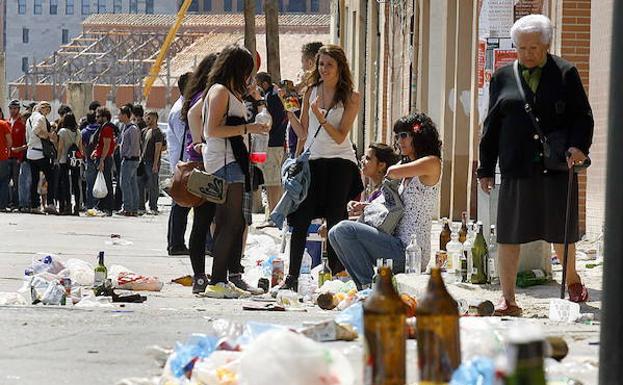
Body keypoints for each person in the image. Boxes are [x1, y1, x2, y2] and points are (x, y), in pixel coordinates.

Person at [477, 14, 594, 316]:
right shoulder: (502, 78)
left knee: (560, 233)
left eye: (534, 48)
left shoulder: (565, 73)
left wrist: (578, 147)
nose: (528, 54)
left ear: (547, 45)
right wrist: (486, 168)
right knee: (509, 234)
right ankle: (507, 298)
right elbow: (491, 126)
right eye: (522, 48)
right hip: (516, 166)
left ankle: (572, 279)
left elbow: (583, 116)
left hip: (556, 165)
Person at [277, 44, 364, 291]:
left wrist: (321, 115)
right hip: (313, 162)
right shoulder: (311, 92)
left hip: (340, 163)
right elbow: (303, 133)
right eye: (321, 64)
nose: (324, 69)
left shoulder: (351, 96)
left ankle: (338, 277)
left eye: (329, 64)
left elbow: (340, 136)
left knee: (336, 219)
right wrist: (290, 112)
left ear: (340, 68)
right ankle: (292, 278)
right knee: (301, 219)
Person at [329, 113, 442, 289]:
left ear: (419, 135)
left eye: (404, 135)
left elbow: (392, 172)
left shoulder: (432, 163)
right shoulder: (407, 171)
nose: (399, 141)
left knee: (344, 230)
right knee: (334, 233)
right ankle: (364, 288)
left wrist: (392, 168)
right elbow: (396, 204)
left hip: (411, 251)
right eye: (397, 137)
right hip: (393, 243)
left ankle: (371, 288)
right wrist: (365, 207)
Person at [194, 44, 270, 298]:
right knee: (230, 222)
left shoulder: (228, 92)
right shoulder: (219, 91)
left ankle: (222, 278)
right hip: (224, 162)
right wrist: (248, 129)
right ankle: (218, 279)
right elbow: (212, 130)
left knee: (233, 222)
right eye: (247, 70)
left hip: (231, 161)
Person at [182, 54, 220, 290]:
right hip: (206, 165)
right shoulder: (208, 95)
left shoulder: (197, 94)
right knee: (207, 221)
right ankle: (203, 275)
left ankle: (200, 275)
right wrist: (201, 143)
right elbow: (193, 116)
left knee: (202, 222)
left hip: (200, 163)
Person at [255, 72, 287, 228]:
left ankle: (274, 217)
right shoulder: (274, 93)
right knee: (273, 181)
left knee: (272, 182)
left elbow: (269, 121)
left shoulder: (270, 96)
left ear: (264, 83)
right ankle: (275, 214)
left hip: (272, 144)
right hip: (277, 143)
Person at [25, 101, 58, 214]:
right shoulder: (40, 118)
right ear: (44, 108)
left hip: (30, 153)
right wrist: (47, 136)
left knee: (34, 180)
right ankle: (50, 203)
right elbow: (36, 130)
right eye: (47, 111)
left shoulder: (29, 119)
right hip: (40, 153)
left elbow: (28, 137)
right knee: (51, 177)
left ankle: (34, 205)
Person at [56, 113, 83, 215]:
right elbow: (80, 148)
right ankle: (77, 206)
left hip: (64, 160)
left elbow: (60, 147)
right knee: (76, 184)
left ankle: (68, 206)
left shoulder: (62, 132)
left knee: (66, 183)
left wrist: (57, 159)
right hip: (75, 160)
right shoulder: (78, 132)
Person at [117, 105, 141, 216]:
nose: (118, 116)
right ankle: (133, 208)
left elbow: (134, 146)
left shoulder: (132, 129)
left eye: (120, 114)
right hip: (128, 159)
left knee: (125, 184)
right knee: (131, 184)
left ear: (125, 115)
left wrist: (128, 155)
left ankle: (128, 208)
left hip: (130, 160)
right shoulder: (125, 127)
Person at [138, 111, 164, 215]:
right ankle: (141, 205)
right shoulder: (144, 131)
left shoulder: (158, 133)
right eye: (146, 118)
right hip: (142, 161)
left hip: (151, 161)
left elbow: (158, 149)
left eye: (149, 118)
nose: (147, 120)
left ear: (155, 119)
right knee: (140, 183)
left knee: (153, 184)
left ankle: (153, 206)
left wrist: (155, 164)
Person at [93, 106, 116, 216]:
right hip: (103, 157)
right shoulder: (103, 128)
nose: (96, 119)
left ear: (104, 117)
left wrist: (102, 159)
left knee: (106, 182)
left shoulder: (107, 128)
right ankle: (101, 206)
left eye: (98, 117)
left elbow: (107, 145)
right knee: (103, 182)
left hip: (105, 158)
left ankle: (107, 207)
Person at [7, 100, 26, 211]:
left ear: (18, 109)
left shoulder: (22, 123)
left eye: (14, 108)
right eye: (11, 108)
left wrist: (20, 157)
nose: (12, 110)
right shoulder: (7, 122)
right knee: (6, 181)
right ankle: (8, 202)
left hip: (17, 157)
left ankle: (16, 203)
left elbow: (24, 141)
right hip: (7, 156)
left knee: (16, 182)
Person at [82, 112, 100, 210]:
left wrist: (85, 157)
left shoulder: (84, 132)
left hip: (89, 159)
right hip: (100, 159)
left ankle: (89, 205)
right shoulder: (100, 129)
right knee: (100, 182)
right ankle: (98, 205)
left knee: (90, 184)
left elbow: (83, 147)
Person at [0, 108, 12, 211]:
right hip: (2, 157)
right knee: (3, 181)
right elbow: (9, 142)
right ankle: (2, 205)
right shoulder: (4, 124)